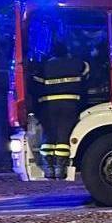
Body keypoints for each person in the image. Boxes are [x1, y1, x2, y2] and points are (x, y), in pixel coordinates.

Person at [32, 42, 90, 179]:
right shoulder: (78, 63)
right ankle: (60, 168)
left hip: (48, 105)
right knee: (64, 136)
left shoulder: (43, 66)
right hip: (70, 104)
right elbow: (87, 77)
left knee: (48, 136)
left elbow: (35, 86)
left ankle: (48, 168)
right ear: (66, 50)